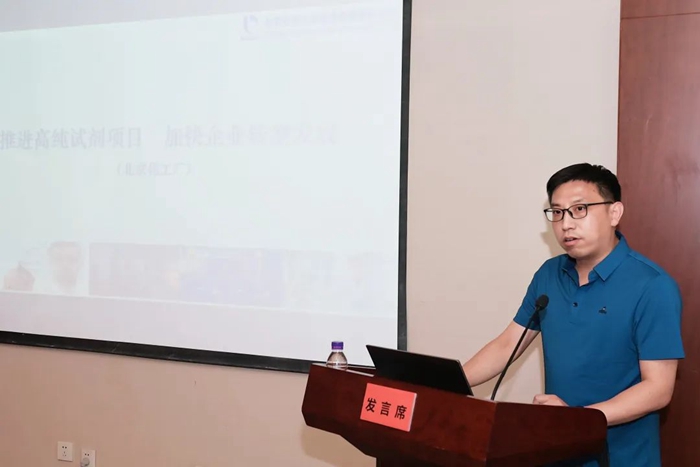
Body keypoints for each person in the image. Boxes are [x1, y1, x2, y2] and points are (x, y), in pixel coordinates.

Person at [462, 163, 684, 466]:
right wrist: (449, 384)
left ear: (614, 213)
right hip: (556, 451)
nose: (566, 224)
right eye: (557, 212)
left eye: (579, 209)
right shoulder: (548, 274)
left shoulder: (652, 285)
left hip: (620, 457)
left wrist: (577, 420)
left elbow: (658, 389)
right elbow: (507, 344)